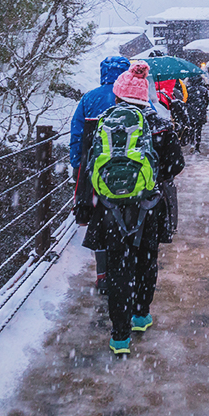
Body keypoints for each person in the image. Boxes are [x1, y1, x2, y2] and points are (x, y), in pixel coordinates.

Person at [83, 60, 185, 355]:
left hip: (110, 208)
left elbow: (90, 167)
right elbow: (176, 165)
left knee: (118, 267)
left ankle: (119, 336)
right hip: (148, 206)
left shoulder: (103, 123)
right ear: (144, 97)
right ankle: (141, 315)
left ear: (117, 96)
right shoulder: (161, 126)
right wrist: (152, 177)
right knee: (146, 260)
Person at [69, 55, 130, 292]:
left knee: (99, 222)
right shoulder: (134, 97)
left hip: (95, 172)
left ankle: (103, 275)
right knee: (129, 218)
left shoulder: (89, 98)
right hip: (128, 172)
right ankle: (126, 270)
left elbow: (76, 136)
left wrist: (78, 166)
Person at [184, 74, 209, 152]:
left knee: (191, 128)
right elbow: (206, 101)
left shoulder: (188, 90)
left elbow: (186, 101)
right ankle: (197, 146)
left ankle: (192, 142)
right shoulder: (204, 90)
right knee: (199, 129)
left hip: (191, 111)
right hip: (200, 112)